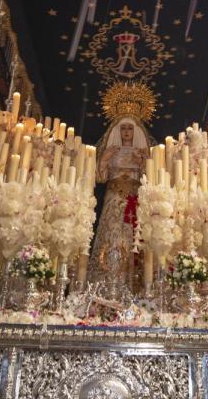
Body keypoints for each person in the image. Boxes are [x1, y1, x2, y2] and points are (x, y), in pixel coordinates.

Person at [86, 116, 150, 301]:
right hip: (113, 199)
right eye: (123, 129)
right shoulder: (111, 151)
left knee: (132, 235)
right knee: (111, 233)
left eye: (130, 128)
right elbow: (100, 178)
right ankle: (105, 281)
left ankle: (133, 284)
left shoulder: (141, 152)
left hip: (133, 199)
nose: (127, 132)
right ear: (118, 132)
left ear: (135, 131)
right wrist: (104, 160)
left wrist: (143, 163)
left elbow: (149, 179)